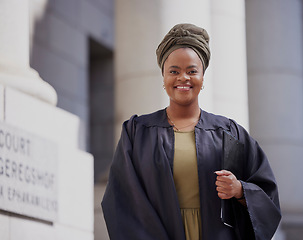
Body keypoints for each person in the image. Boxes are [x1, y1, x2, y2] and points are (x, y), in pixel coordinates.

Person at [102, 23, 281, 240]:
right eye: (174, 71)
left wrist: (240, 190)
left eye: (192, 71)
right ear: (164, 77)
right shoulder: (137, 132)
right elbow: (122, 199)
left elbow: (267, 194)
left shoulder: (229, 133)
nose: (183, 78)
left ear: (203, 77)